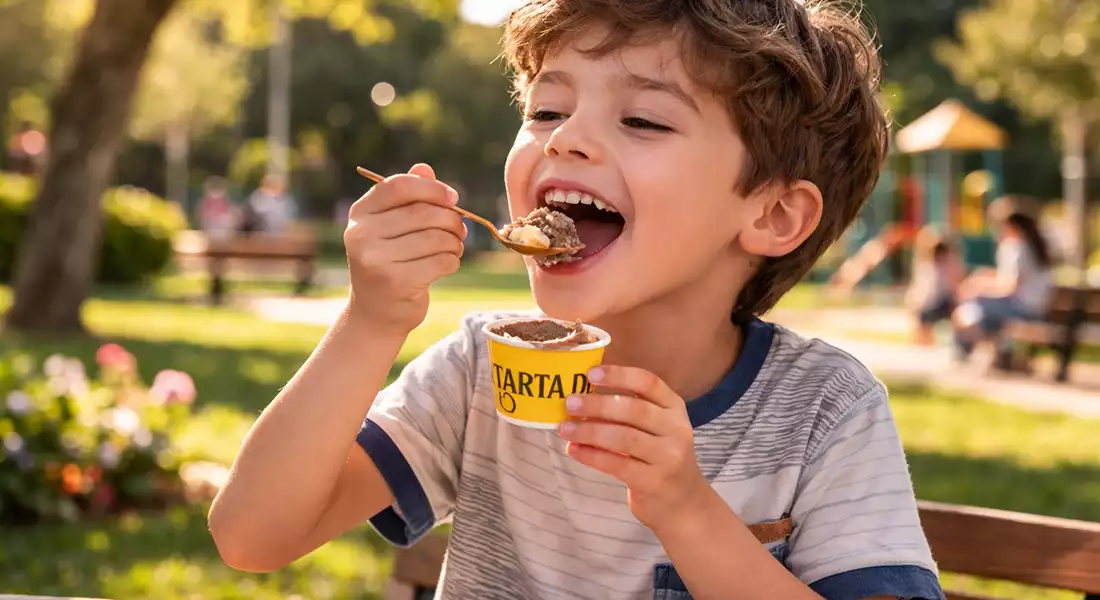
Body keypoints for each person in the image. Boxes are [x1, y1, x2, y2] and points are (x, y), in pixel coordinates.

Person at [209, 2, 945, 599]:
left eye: (643, 120)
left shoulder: (824, 411)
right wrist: (371, 322)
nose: (566, 139)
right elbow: (252, 536)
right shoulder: (479, 371)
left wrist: (687, 511)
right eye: (547, 110)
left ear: (773, 214)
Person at [952, 212, 1055, 369]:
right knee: (979, 309)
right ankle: (1001, 353)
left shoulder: (1017, 248)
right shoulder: (1037, 248)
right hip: (1038, 311)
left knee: (973, 306)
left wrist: (978, 287)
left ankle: (968, 350)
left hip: (1023, 310)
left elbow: (1009, 286)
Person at [905, 227, 965, 346]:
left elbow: (956, 284)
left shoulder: (946, 265)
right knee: (924, 316)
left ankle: (926, 341)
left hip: (943, 301)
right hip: (931, 303)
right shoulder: (926, 266)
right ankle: (924, 341)